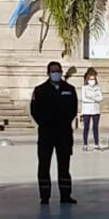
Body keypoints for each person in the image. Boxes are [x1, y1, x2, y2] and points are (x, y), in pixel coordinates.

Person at [31, 61, 78, 205]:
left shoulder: (69, 89)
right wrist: (45, 123)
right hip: (46, 133)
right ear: (48, 73)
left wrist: (63, 122)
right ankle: (44, 196)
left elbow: (73, 109)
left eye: (58, 70)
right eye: (53, 71)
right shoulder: (40, 90)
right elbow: (35, 110)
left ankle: (65, 195)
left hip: (64, 133)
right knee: (44, 164)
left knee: (64, 165)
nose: (56, 73)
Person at [80, 67, 103, 151]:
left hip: (96, 110)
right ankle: (85, 144)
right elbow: (84, 98)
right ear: (87, 79)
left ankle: (96, 144)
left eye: (93, 79)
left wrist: (92, 97)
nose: (92, 81)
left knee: (95, 127)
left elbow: (100, 98)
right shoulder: (84, 87)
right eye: (90, 79)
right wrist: (94, 98)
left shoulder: (97, 87)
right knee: (86, 127)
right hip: (86, 110)